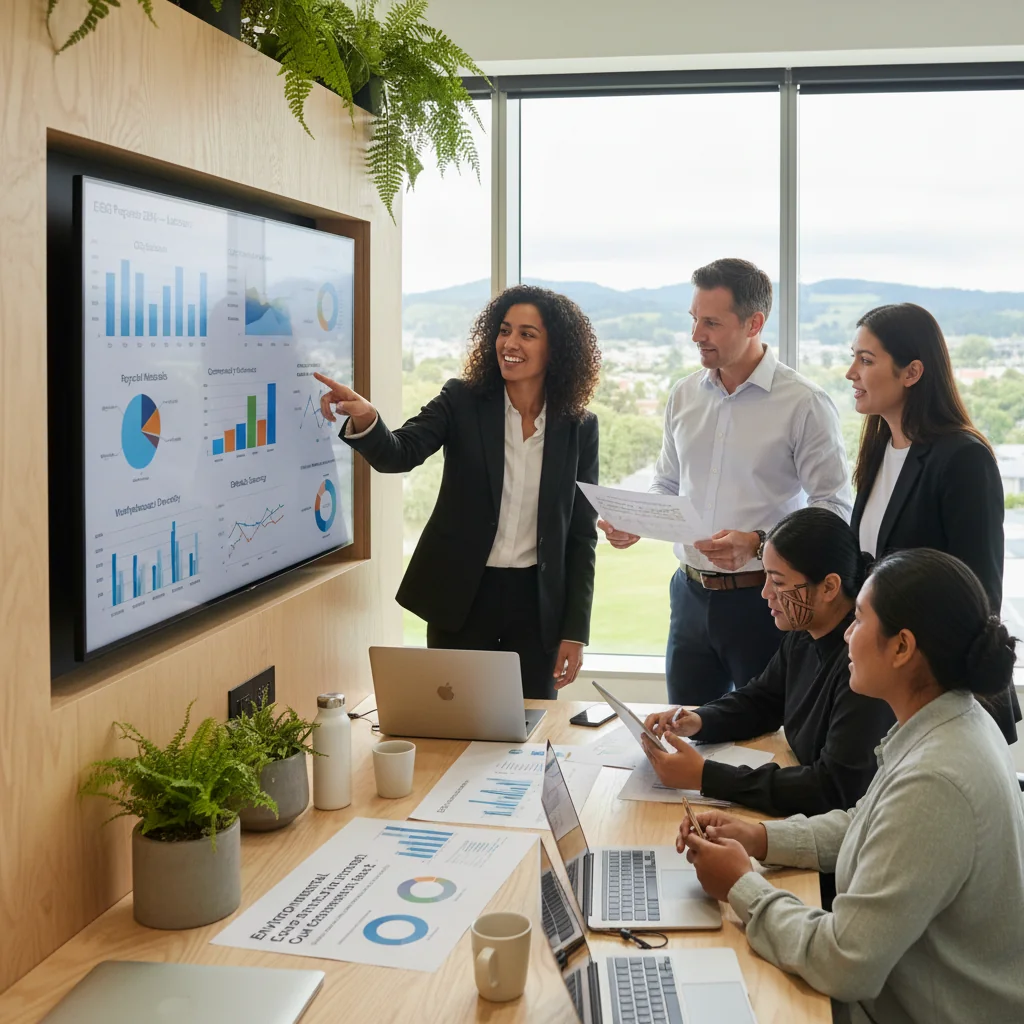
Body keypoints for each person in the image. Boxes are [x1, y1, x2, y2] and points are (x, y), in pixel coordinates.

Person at [678, 549, 1024, 1024]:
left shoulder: (936, 780)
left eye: (858, 620)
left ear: (902, 647)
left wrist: (743, 885)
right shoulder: (950, 719)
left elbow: (844, 963)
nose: (846, 634)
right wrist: (758, 838)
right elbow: (868, 823)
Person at [314, 285, 601, 700]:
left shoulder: (579, 426)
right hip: (465, 597)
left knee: (532, 730)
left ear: (556, 349)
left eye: (527, 334)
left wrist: (575, 631)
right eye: (504, 331)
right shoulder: (461, 400)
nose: (510, 343)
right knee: (457, 723)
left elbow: (581, 533)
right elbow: (400, 453)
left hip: (536, 608)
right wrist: (369, 418)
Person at [600, 258, 852, 706]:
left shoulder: (805, 403)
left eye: (711, 323)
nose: (696, 335)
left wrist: (757, 543)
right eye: (695, 320)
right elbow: (667, 484)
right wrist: (638, 521)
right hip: (689, 596)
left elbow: (833, 509)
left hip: (766, 603)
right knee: (684, 732)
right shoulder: (683, 394)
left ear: (755, 322)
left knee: (766, 740)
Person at [639, 507, 894, 818]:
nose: (765, 593)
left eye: (778, 582)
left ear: (829, 587)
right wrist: (699, 720)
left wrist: (706, 776)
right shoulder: (805, 631)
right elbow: (763, 699)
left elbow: (832, 788)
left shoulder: (863, 665)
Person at [846, 301, 1019, 742]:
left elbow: (981, 594)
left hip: (937, 698)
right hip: (886, 684)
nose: (851, 373)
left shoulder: (962, 458)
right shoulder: (879, 446)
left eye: (866, 360)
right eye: (853, 358)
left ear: (912, 372)